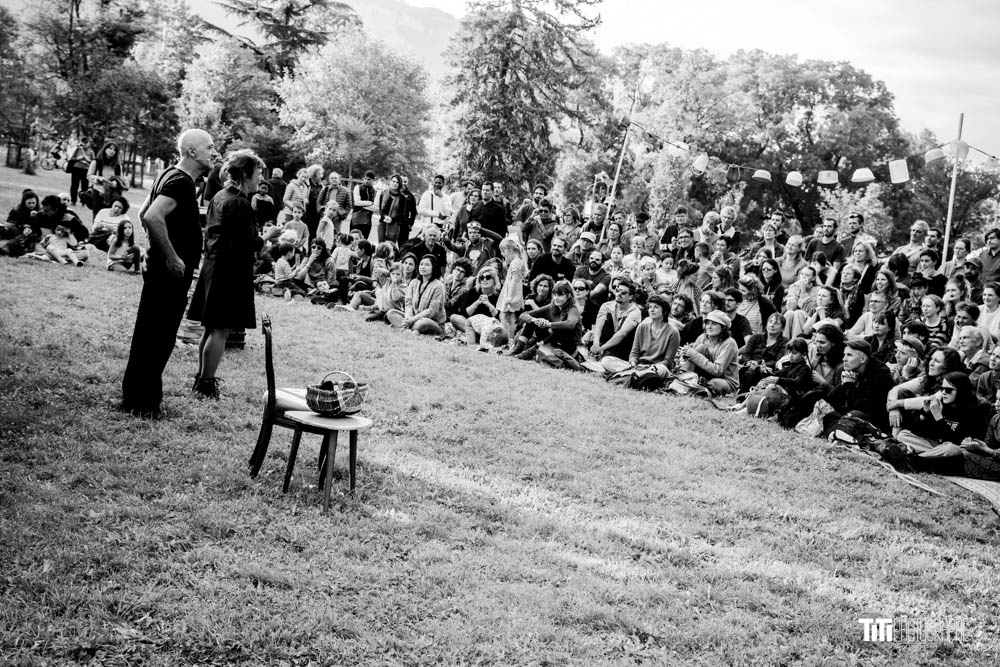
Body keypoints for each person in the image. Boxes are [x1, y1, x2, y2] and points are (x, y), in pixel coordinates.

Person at [121, 128, 218, 418]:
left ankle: (136, 398)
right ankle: (145, 404)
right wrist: (173, 257)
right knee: (159, 336)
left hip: (159, 269)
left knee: (148, 334)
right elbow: (152, 216)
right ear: (192, 152)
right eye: (209, 147)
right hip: (169, 273)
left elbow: (142, 213)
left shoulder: (168, 174)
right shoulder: (181, 182)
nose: (214, 152)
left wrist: (151, 249)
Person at [187, 150, 266, 398]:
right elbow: (246, 242)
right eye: (258, 173)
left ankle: (202, 379)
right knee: (220, 329)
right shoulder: (240, 203)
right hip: (229, 271)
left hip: (214, 266)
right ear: (245, 174)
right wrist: (265, 240)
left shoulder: (220, 196)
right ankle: (206, 384)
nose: (260, 178)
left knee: (212, 328)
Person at [600, 293, 679, 375]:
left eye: (656, 307)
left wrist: (650, 367)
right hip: (639, 366)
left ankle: (631, 375)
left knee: (662, 369)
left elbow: (668, 361)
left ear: (664, 311)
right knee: (606, 360)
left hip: (655, 368)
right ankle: (634, 374)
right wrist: (633, 363)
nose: (651, 310)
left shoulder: (673, 332)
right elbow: (634, 353)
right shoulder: (642, 326)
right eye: (650, 307)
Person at [824, 339, 895, 430]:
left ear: (862, 359)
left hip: (878, 420)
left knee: (853, 415)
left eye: (849, 355)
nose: (844, 359)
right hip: (857, 412)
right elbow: (830, 399)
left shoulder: (880, 375)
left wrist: (848, 385)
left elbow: (862, 407)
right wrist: (843, 383)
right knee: (829, 415)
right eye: (844, 354)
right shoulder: (852, 370)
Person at [677, 310, 739, 395]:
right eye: (707, 323)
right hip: (704, 375)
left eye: (714, 324)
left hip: (725, 380)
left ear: (723, 327)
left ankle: (694, 385)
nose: (709, 327)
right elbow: (693, 360)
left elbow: (717, 371)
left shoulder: (729, 343)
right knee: (700, 348)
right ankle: (683, 378)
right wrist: (685, 355)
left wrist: (693, 355)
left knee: (715, 384)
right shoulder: (702, 337)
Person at [387, 255, 447, 335]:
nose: (423, 267)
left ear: (434, 267)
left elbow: (432, 311)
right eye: (421, 264)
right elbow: (408, 303)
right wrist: (408, 317)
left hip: (431, 321)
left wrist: (412, 320)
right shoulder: (414, 282)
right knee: (391, 313)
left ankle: (403, 327)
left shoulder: (438, 286)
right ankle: (408, 330)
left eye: (427, 265)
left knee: (422, 323)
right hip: (412, 318)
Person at [738, 312, 789, 392]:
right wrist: (750, 361)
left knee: (755, 371)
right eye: (770, 322)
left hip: (768, 370)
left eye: (776, 323)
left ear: (782, 328)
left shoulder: (785, 342)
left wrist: (760, 365)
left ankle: (744, 392)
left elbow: (778, 360)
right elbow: (746, 354)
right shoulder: (755, 338)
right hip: (749, 366)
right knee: (747, 370)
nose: (772, 325)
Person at [496, 237, 528, 342]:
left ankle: (506, 339)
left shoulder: (515, 263)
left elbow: (514, 280)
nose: (502, 254)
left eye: (503, 251)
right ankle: (508, 339)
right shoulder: (516, 262)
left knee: (505, 316)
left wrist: (509, 297)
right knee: (509, 317)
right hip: (512, 291)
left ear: (510, 250)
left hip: (511, 292)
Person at [86, 141, 128, 218]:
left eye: (114, 150)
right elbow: (89, 176)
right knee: (97, 215)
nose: (112, 151)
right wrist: (99, 178)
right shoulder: (96, 161)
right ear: (105, 149)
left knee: (110, 215)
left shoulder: (118, 165)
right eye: (110, 148)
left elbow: (121, 179)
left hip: (112, 194)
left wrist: (116, 183)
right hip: (98, 192)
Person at [415, 174, 452, 238]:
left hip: (439, 229)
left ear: (443, 184)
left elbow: (446, 213)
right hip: (426, 227)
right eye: (436, 182)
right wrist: (437, 214)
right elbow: (421, 210)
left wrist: (441, 198)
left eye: (439, 183)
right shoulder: (426, 195)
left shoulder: (446, 198)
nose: (437, 184)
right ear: (433, 183)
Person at [65, 138, 95, 206]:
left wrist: (87, 160)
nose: (84, 144)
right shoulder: (78, 149)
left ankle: (83, 201)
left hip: (85, 170)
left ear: (88, 143)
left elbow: (93, 162)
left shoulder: (91, 152)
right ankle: (73, 200)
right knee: (74, 185)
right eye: (83, 142)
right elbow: (71, 158)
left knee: (84, 186)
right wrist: (79, 159)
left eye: (86, 143)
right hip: (76, 169)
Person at [351, 170, 378, 240]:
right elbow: (356, 202)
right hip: (356, 218)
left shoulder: (375, 192)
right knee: (352, 239)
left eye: (369, 179)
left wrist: (361, 203)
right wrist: (370, 203)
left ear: (373, 180)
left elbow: (375, 208)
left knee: (364, 240)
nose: (366, 181)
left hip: (367, 220)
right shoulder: (358, 187)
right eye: (365, 179)